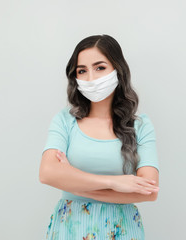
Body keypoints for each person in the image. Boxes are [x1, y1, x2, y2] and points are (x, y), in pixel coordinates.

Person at [39, 34, 160, 240]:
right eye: (82, 71)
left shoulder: (140, 126)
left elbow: (149, 191)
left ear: (118, 70)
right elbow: (47, 173)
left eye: (100, 67)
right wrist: (115, 183)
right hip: (71, 227)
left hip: (122, 228)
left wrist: (75, 182)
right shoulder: (65, 121)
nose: (91, 78)